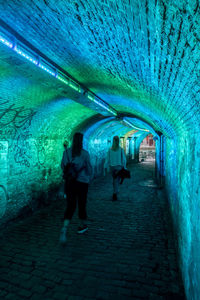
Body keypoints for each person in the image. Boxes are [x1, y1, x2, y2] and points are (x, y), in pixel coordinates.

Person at [60, 132, 93, 244]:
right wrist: (88, 177)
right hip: (82, 183)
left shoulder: (66, 152)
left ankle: (64, 228)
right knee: (82, 204)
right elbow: (89, 169)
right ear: (82, 141)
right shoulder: (84, 154)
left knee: (70, 205)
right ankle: (82, 225)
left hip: (70, 183)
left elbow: (62, 166)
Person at [104, 136, 126, 201]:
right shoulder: (121, 149)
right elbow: (124, 159)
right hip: (119, 167)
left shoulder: (110, 149)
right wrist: (124, 167)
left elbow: (107, 159)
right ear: (118, 141)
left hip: (112, 167)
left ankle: (115, 191)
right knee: (116, 180)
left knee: (114, 180)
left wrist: (105, 167)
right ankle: (115, 193)